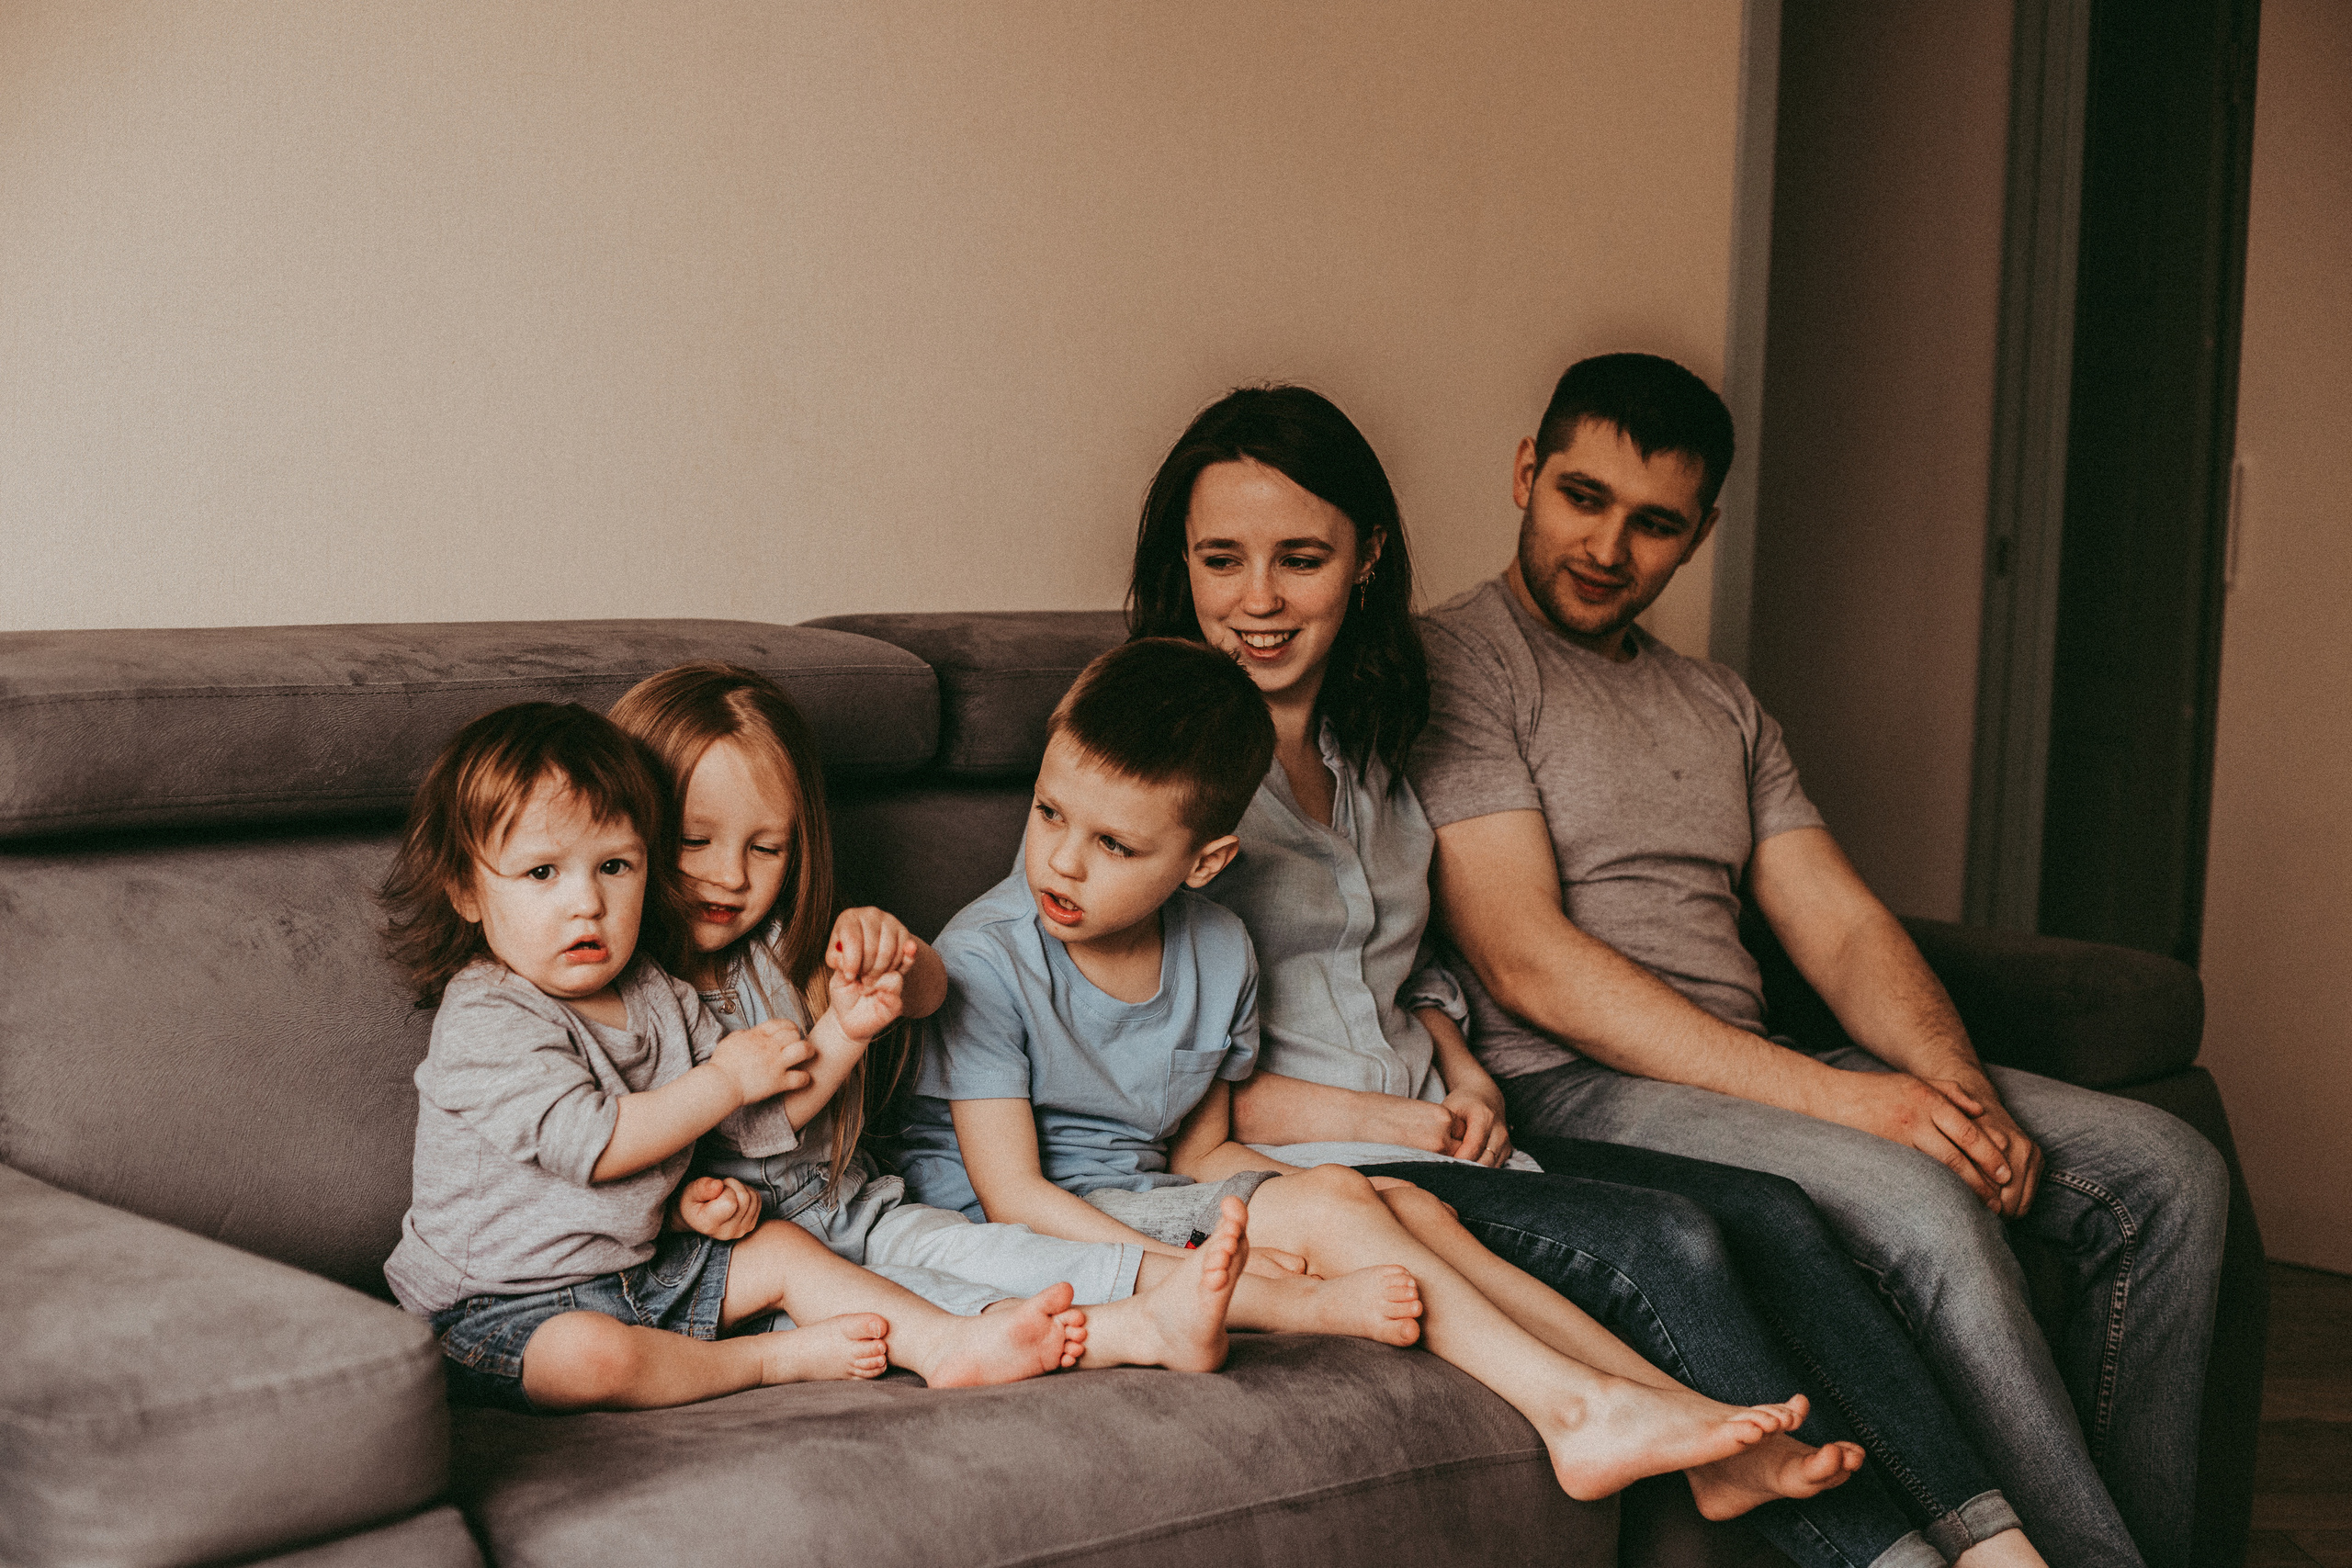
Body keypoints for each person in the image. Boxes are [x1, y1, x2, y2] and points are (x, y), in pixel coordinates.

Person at [1130, 382, 2050, 1568]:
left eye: (1298, 557)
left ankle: (1995, 1544)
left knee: (1766, 1210)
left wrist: (1455, 1061)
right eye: (1222, 559)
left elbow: (1411, 972)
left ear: (1365, 561)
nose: (1256, 599)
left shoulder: (1372, 749)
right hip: (1318, 1165)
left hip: (1445, 1134)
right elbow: (1156, 1070)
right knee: (1673, 1237)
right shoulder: (1167, 787)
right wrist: (1399, 1111)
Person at [1414, 352, 2229, 1568]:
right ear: (1526, 472)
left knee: (2170, 1173)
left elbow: (1839, 923)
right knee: (1919, 1194)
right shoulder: (1456, 663)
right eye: (1582, 497)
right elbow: (1527, 961)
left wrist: (1949, 1081)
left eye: (1654, 523)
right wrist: (1860, 1104)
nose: (1607, 547)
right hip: (1577, 1083)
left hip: (1760, 1068)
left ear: (1702, 532)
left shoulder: (1722, 704)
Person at [893, 637, 1861, 1513]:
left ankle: (1679, 1427)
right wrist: (1194, 1266)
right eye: (1050, 812)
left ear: (1205, 861)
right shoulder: (987, 955)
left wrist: (1302, 1200)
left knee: (1406, 1207)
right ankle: (1574, 1412)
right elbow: (1009, 1190)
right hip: (1011, 1219)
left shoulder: (1220, 949)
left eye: (1114, 844)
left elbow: (1202, 1147)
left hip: (1141, 1190)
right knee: (1329, 1208)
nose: (1061, 861)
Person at [377, 701, 1127, 1413]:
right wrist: (723, 1076)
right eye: (544, 873)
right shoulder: (489, 1011)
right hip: (494, 1307)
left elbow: (757, 1120)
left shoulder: (655, 991)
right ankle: (769, 1359)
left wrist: (844, 1028)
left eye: (615, 866)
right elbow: (593, 1141)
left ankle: (947, 1344)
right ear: (466, 892)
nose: (587, 903)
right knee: (590, 1356)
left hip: (641, 1276)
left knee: (783, 1247)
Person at [605, 660, 1261, 1375]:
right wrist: (683, 1211)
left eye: (766, 848)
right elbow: (645, 1152)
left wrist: (899, 956)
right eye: (694, 842)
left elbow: (935, 994)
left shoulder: (778, 950)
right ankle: (1132, 1332)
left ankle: (1177, 1298)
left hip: (865, 1211)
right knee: (924, 1299)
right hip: (742, 1252)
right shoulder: (618, 1000)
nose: (731, 875)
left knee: (1000, 1252)